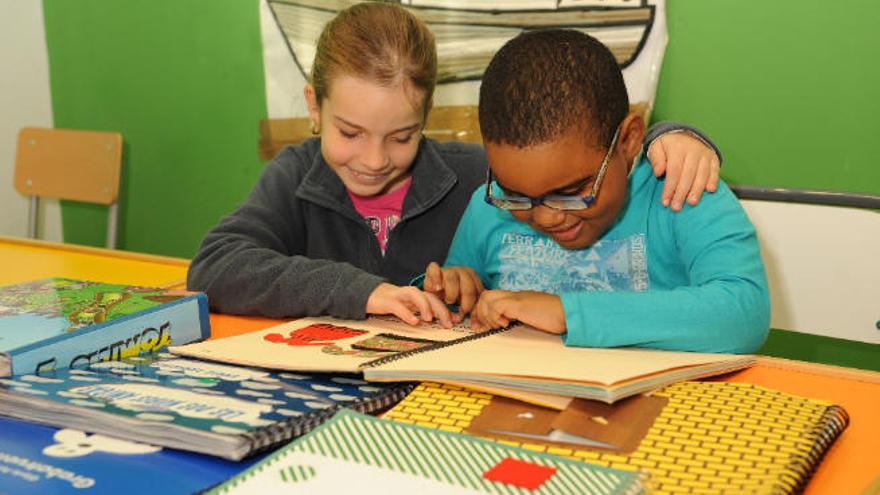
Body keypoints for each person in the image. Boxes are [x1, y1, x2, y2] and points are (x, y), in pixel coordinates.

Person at [187, 3, 725, 328]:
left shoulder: (476, 179)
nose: (374, 161)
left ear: (427, 116)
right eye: (349, 133)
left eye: (402, 136)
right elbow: (216, 265)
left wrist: (670, 137)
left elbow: (566, 161)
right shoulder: (298, 174)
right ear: (313, 106)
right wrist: (361, 293)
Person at [425, 29, 769, 353]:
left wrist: (566, 312)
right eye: (515, 193)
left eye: (574, 190)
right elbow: (462, 301)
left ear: (629, 140)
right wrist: (456, 288)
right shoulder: (488, 207)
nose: (546, 216)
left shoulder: (682, 190)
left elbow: (743, 314)